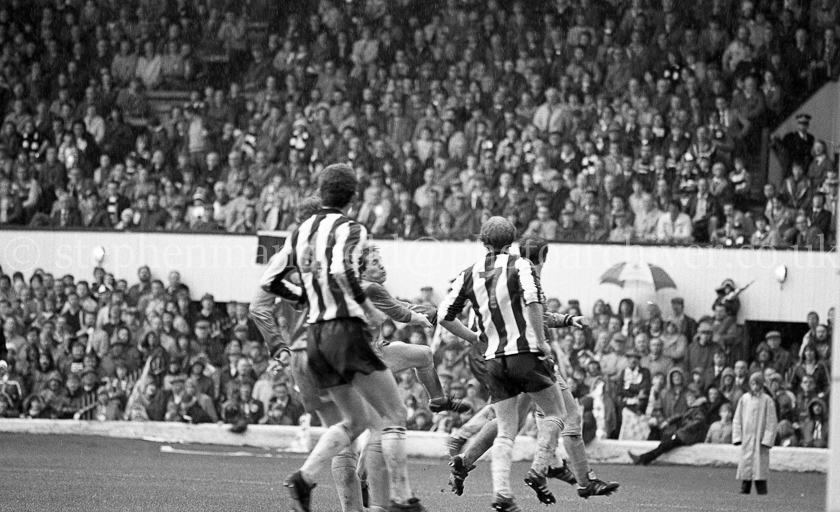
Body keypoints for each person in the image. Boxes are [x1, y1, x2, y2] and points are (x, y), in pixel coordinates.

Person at [259, 163, 424, 512]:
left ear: (321, 192)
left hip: (314, 336)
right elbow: (340, 271)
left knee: (355, 421)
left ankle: (304, 477)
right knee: (394, 413)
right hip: (343, 329)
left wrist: (306, 296)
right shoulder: (352, 228)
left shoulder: (301, 231)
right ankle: (401, 499)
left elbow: (270, 281)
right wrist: (365, 306)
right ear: (352, 195)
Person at [437, 223, 618, 511]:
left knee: (509, 423)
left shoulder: (471, 272)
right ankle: (551, 470)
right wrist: (542, 343)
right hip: (525, 353)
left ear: (483, 241)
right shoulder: (522, 268)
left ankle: (476, 468)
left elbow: (444, 315)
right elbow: (536, 309)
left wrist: (474, 339)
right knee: (563, 414)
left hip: (492, 356)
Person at [629, 396, 712, 465]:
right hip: (684, 434)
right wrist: (668, 422)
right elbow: (679, 416)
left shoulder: (698, 410)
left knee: (664, 446)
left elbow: (698, 421)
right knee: (664, 445)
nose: (690, 401)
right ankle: (643, 459)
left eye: (692, 399)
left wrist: (685, 428)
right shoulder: (693, 409)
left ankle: (642, 459)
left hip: (685, 435)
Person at [733, 372, 778, 495]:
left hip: (760, 439)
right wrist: (738, 436)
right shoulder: (744, 399)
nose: (755, 387)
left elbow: (771, 422)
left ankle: (761, 490)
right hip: (747, 438)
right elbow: (737, 419)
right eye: (752, 383)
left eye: (757, 383)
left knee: (759, 467)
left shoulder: (767, 401)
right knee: (746, 466)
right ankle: (744, 489)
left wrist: (767, 440)